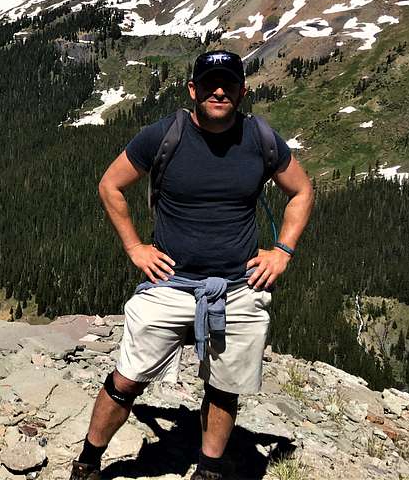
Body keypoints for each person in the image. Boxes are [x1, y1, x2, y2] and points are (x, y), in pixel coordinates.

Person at [70, 50, 314, 480]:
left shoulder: (260, 139)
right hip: (170, 283)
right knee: (127, 379)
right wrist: (134, 248)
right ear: (193, 90)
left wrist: (283, 252)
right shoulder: (166, 135)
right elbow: (110, 185)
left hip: (238, 287)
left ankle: (208, 470)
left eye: (228, 85)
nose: (218, 91)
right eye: (209, 84)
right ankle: (89, 461)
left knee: (224, 388)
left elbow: (302, 191)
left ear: (241, 91)